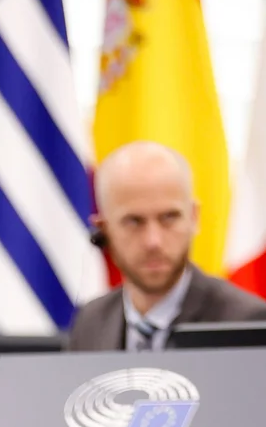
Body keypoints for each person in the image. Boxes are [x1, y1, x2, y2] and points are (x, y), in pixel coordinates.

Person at [68, 140, 266, 351]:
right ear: (104, 228)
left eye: (169, 218)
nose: (153, 241)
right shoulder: (90, 323)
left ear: (194, 217)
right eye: (134, 221)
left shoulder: (247, 323)